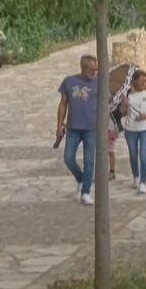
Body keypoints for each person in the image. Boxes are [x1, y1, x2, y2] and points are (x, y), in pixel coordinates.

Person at [57, 54, 99, 205]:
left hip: (91, 128)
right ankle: (81, 178)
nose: (95, 72)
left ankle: (86, 192)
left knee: (89, 161)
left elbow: (108, 102)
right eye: (92, 69)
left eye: (97, 69)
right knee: (68, 158)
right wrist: (59, 125)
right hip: (73, 127)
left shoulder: (100, 82)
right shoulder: (69, 82)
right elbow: (63, 105)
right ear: (83, 67)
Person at [120, 69, 146, 194]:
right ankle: (136, 177)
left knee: (143, 154)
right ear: (134, 81)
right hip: (130, 129)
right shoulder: (127, 94)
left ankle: (143, 182)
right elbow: (122, 113)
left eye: (145, 80)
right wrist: (124, 104)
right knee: (133, 154)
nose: (143, 83)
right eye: (141, 81)